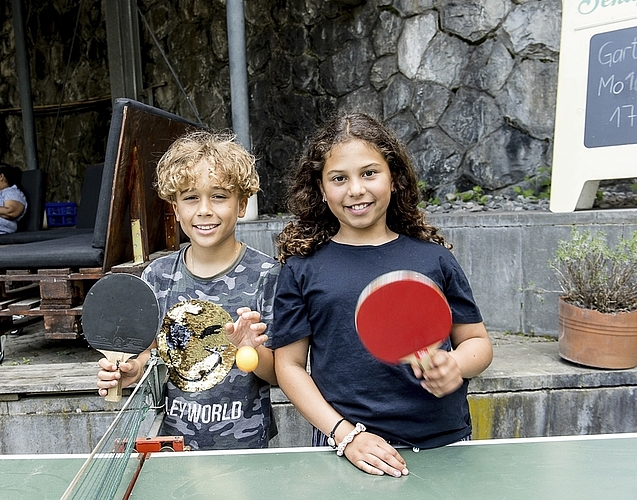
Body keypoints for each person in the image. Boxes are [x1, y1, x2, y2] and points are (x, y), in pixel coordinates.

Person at [271, 113, 493, 476]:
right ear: (322, 190)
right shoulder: (302, 267)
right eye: (339, 178)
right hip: (347, 450)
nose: (356, 189)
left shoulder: (433, 258)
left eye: (369, 173)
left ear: (394, 178)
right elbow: (289, 366)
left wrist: (456, 364)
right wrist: (346, 435)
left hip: (444, 443)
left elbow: (477, 342)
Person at [96, 130, 280, 450]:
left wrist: (248, 349)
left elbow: (278, 375)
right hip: (174, 446)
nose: (204, 209)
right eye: (191, 197)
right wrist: (131, 372)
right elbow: (147, 353)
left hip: (246, 449)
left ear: (242, 204)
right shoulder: (157, 275)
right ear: (176, 208)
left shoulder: (267, 276)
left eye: (220, 196)